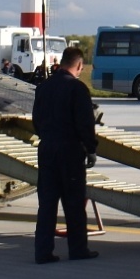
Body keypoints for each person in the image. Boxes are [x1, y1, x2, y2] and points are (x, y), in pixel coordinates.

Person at [31, 45, 100, 263]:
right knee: (73, 203)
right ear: (79, 65)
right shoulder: (77, 89)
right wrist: (91, 149)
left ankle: (43, 252)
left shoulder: (43, 87)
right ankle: (78, 249)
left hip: (47, 149)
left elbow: (36, 120)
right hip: (69, 151)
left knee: (47, 204)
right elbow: (85, 123)